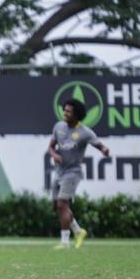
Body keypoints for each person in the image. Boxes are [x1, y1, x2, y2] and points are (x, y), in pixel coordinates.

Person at [48, 99, 109, 249]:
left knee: (63, 203)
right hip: (59, 172)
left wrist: (104, 150)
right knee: (56, 205)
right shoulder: (59, 127)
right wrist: (54, 154)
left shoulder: (84, 132)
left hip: (73, 173)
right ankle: (78, 230)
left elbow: (99, 145)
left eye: (68, 111)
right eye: (65, 110)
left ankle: (65, 242)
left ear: (77, 115)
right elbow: (50, 147)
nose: (65, 113)